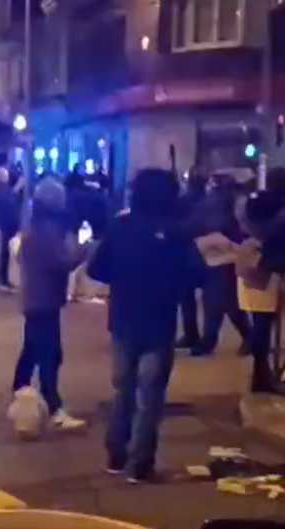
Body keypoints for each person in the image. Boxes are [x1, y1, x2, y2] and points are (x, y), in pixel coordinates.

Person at [88, 168, 205, 483]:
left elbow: (96, 268)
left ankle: (116, 454)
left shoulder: (120, 226)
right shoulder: (176, 233)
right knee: (149, 396)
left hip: (124, 319)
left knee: (123, 390)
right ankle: (139, 464)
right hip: (159, 321)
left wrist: (124, 277)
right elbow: (197, 274)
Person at [14, 178, 88, 431]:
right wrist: (84, 248)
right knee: (50, 354)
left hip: (36, 298)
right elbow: (62, 261)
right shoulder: (46, 230)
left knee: (32, 350)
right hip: (44, 300)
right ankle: (54, 407)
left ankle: (19, 394)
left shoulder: (35, 225)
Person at [239, 167, 285, 393]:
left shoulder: (253, 202)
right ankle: (262, 377)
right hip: (272, 268)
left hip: (250, 265)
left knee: (259, 322)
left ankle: (260, 373)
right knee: (267, 324)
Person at [188, 181, 251, 357]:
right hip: (228, 258)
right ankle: (247, 337)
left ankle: (209, 341)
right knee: (229, 303)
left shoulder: (211, 203)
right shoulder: (233, 205)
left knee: (216, 302)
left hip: (213, 256)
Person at [174, 170, 207, 350]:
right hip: (209, 252)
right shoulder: (209, 201)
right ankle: (199, 337)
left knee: (187, 298)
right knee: (220, 300)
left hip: (187, 253)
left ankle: (192, 335)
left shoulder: (183, 201)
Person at [0, 166, 19, 291]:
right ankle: (0, 280)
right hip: (3, 226)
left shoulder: (0, 189)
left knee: (2, 254)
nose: (7, 177)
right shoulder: (1, 190)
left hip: (5, 226)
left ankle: (1, 279)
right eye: (5, 175)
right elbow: (7, 207)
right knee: (1, 254)